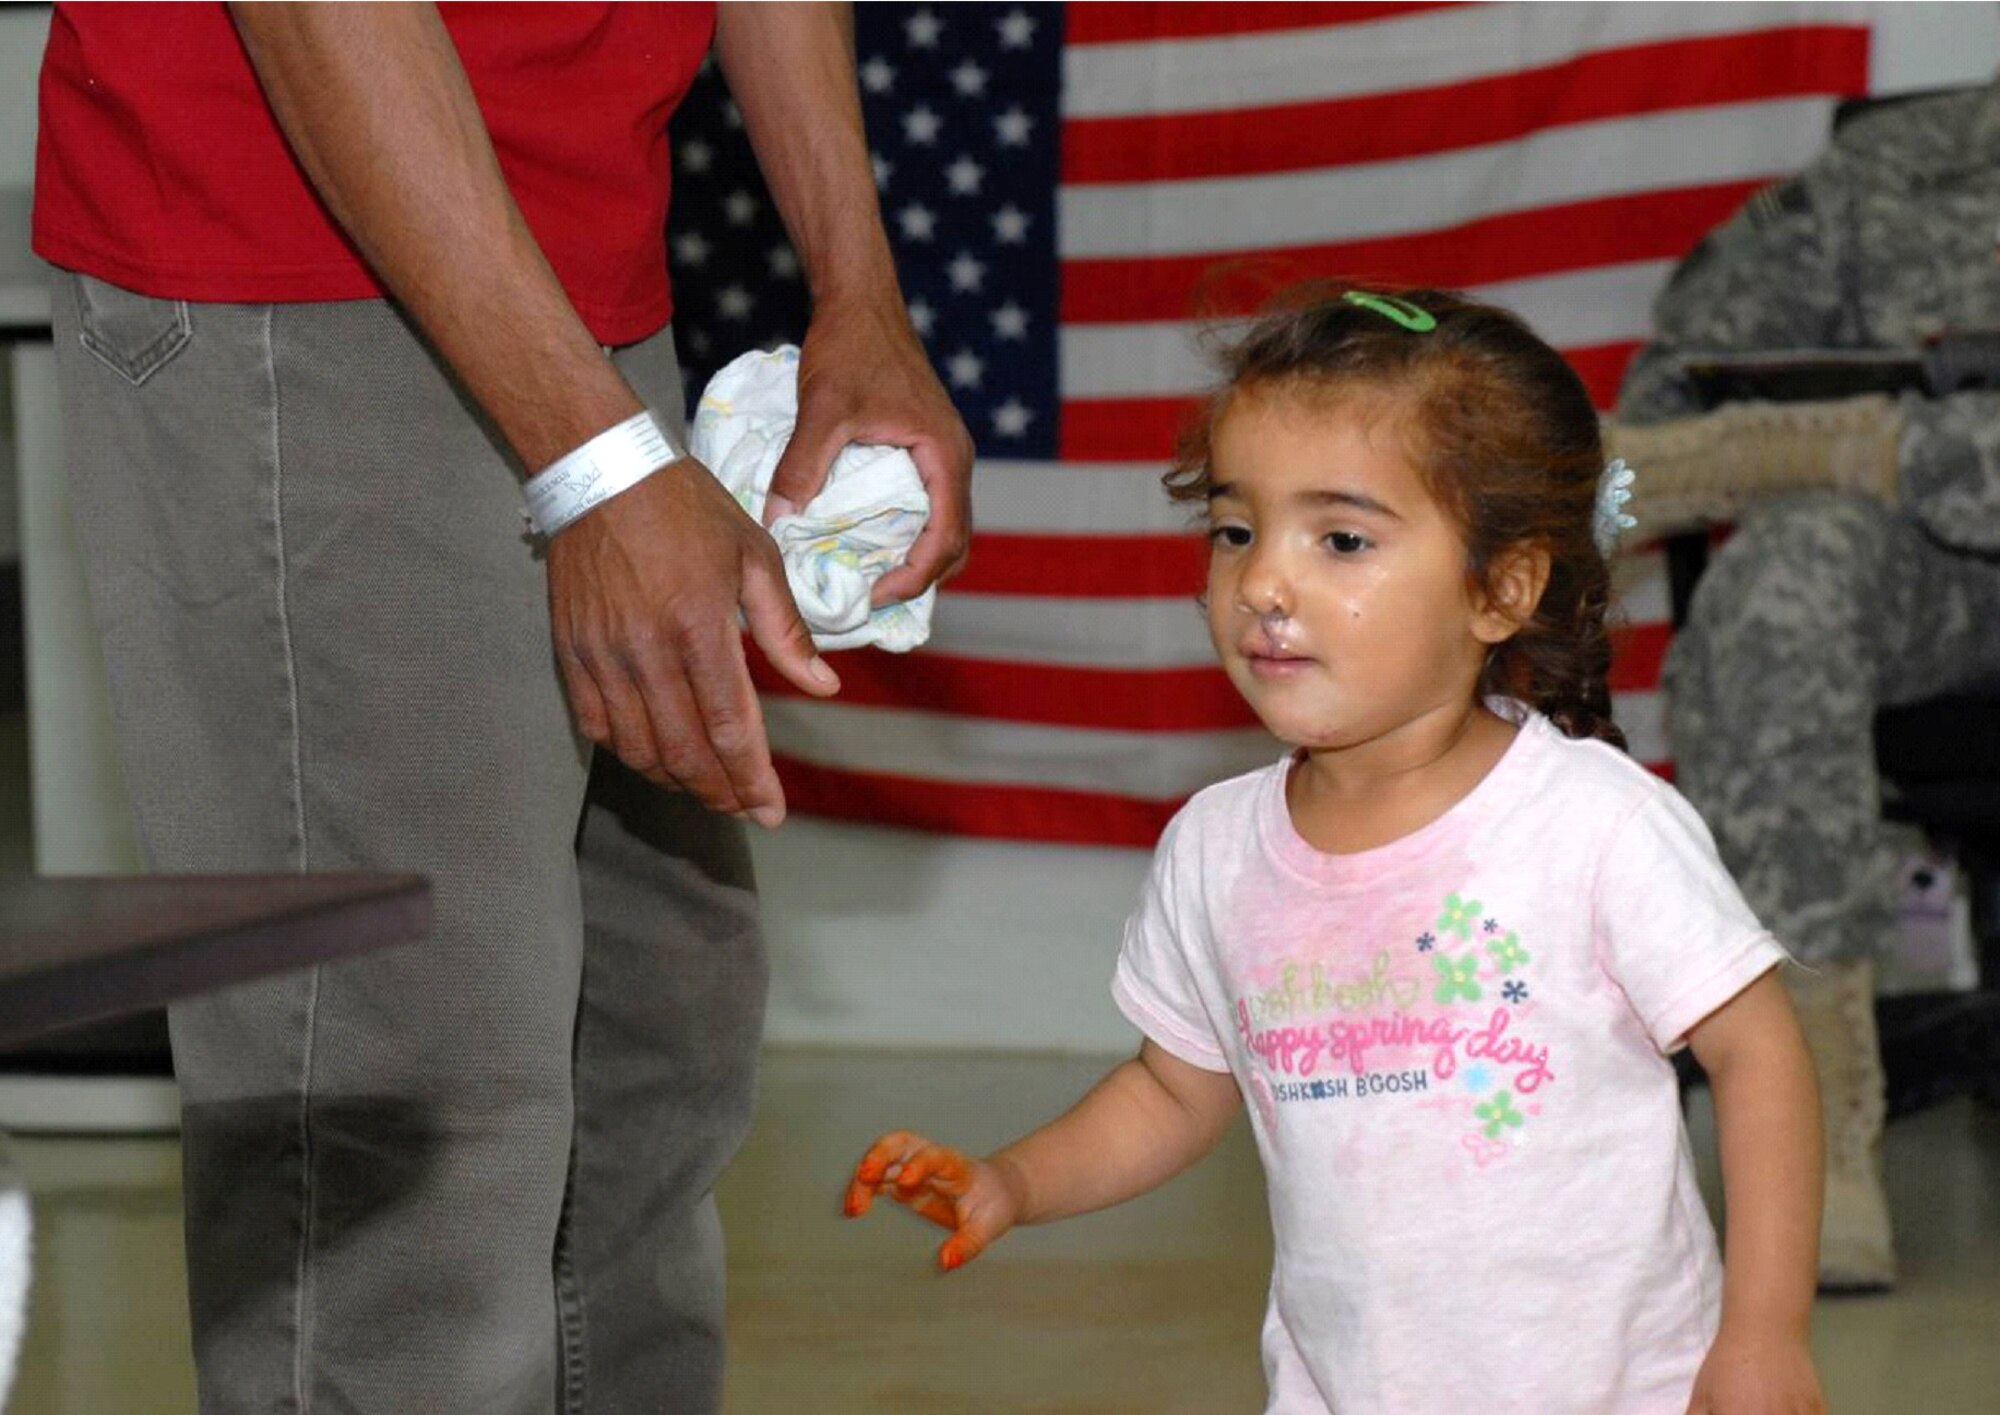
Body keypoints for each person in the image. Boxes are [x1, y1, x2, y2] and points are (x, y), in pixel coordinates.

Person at [33, 4, 970, 1413]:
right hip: (305, 270)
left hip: (583, 265)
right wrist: (594, 468)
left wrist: (861, 292)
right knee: (414, 1127)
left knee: (645, 1047)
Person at [845, 287, 1826, 1415]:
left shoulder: (1593, 825)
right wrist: (1013, 1180)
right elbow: (1171, 1091)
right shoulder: (1216, 850)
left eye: (1342, 540)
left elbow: (1757, 1056)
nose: (1264, 582)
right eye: (1235, 530)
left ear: (1501, 588)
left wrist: (1763, 1332)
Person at [1613, 79, 2000, 1291]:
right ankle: (1818, 1109)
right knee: (1778, 578)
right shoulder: (1903, 164)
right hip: (1944, 576)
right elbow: (1663, 412)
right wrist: (1671, 460)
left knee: (1787, 472)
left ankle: (1836, 447)